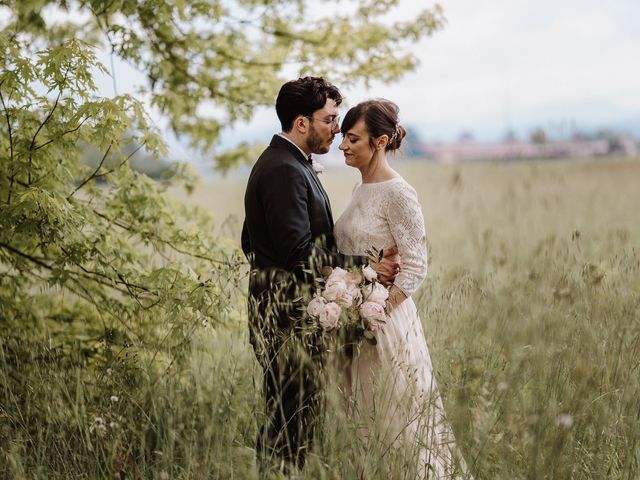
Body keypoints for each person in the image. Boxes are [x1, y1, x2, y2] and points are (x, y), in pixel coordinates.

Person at [241, 77, 399, 475]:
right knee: (290, 423)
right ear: (301, 123)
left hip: (286, 308)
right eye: (329, 120)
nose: (336, 128)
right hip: (286, 315)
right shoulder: (283, 170)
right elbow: (297, 252)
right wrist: (364, 266)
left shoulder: (288, 163)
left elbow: (250, 240)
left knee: (293, 416)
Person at [334, 99, 471, 479]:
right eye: (343, 137)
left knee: (397, 423)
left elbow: (415, 267)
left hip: (385, 324)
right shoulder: (361, 189)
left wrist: (375, 311)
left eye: (352, 138)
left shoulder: (399, 193)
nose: (342, 145)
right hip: (354, 321)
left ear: (379, 142)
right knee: (362, 425)